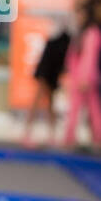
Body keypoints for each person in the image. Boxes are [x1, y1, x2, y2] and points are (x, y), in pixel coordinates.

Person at [63, 0, 101, 150]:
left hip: (86, 78)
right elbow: (72, 56)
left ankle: (98, 138)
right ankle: (70, 138)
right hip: (77, 76)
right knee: (75, 108)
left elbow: (90, 58)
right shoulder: (80, 32)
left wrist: (85, 78)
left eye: (80, 14)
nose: (78, 17)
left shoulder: (92, 33)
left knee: (93, 109)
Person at [21, 17, 70, 148]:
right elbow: (50, 59)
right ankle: (29, 133)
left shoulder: (64, 39)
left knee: (48, 105)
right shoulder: (61, 39)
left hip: (50, 74)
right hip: (46, 73)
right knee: (41, 103)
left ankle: (48, 134)